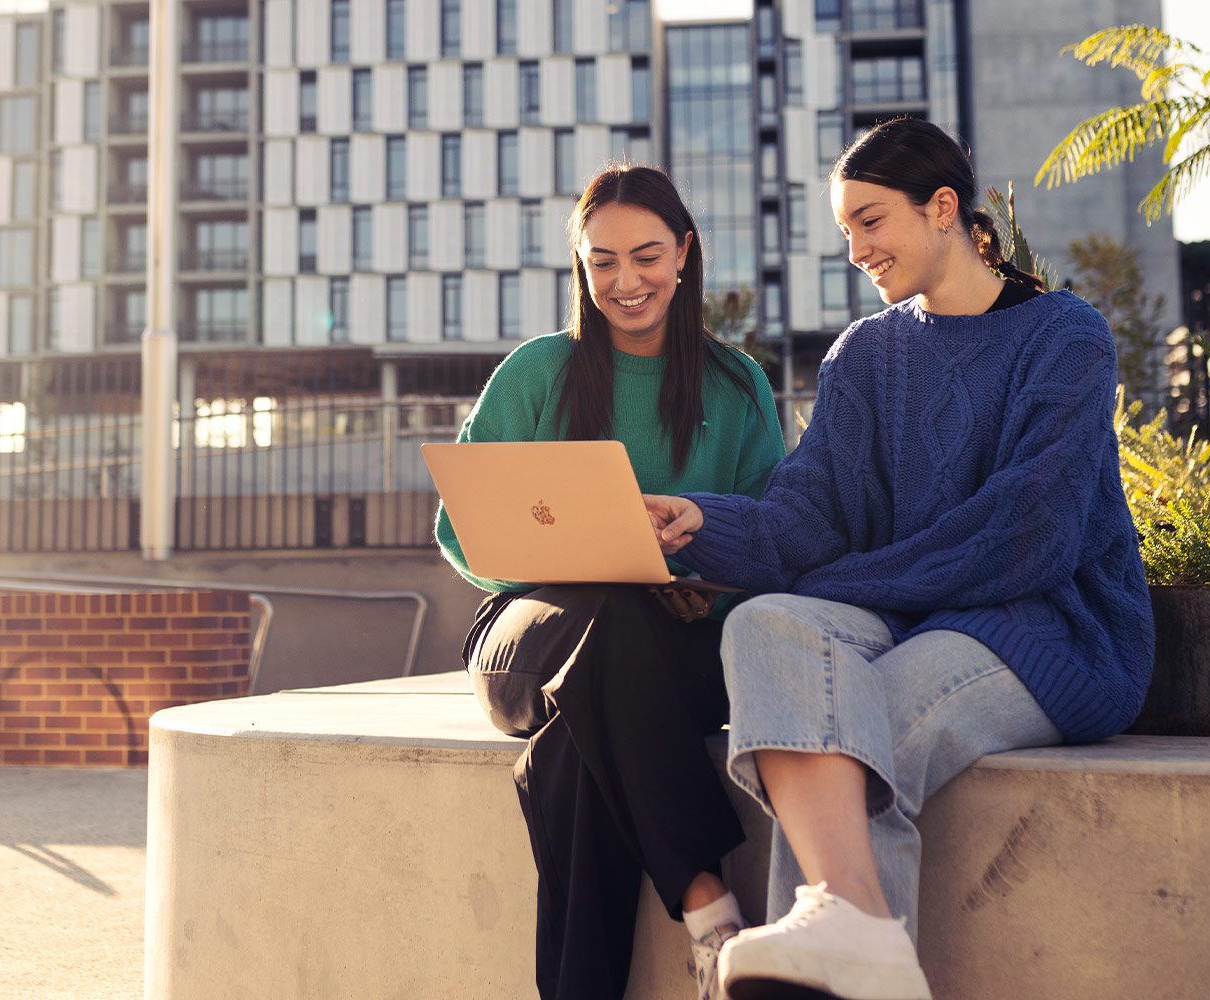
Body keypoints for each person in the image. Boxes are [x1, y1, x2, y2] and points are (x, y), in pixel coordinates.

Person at [643, 117, 1155, 1000]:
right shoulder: (866, 354)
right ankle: (856, 936)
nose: (858, 250)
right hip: (907, 618)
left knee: (853, 724)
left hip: (1042, 629)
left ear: (944, 208)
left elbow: (1027, 534)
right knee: (769, 623)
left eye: (871, 222)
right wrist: (701, 521)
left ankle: (836, 941)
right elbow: (808, 517)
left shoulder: (1066, 337)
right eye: (847, 232)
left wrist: (849, 585)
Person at [434, 163, 787, 1000]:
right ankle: (708, 902)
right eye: (603, 262)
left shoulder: (736, 385)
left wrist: (712, 581)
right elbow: (462, 531)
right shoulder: (537, 372)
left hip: (680, 648)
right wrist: (567, 561)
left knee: (578, 747)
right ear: (581, 267)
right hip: (531, 631)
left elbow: (775, 537)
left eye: (647, 256)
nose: (626, 282)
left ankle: (672, 947)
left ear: (685, 255)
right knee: (610, 616)